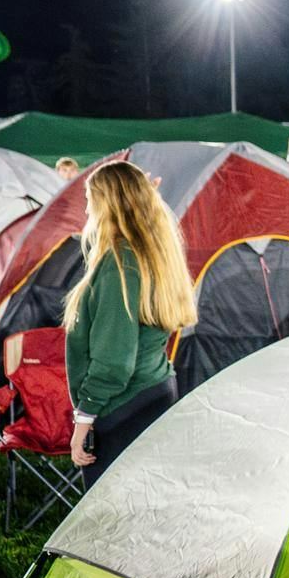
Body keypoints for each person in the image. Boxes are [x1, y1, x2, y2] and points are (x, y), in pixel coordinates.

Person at [64, 160, 196, 486]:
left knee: (109, 518)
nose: (86, 208)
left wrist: (84, 419)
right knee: (144, 509)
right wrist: (142, 197)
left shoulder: (119, 265)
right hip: (155, 391)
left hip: (122, 405)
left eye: (90, 199)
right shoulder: (153, 251)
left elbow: (113, 361)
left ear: (106, 205)